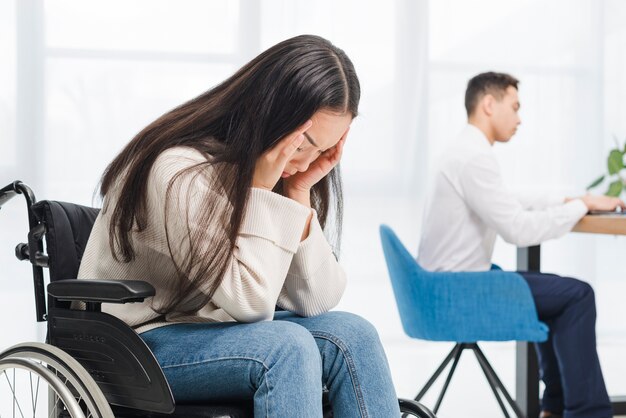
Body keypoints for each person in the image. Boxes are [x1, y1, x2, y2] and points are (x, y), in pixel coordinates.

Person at [77, 35, 401, 417]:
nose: (308, 160)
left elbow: (317, 299)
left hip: (208, 328)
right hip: (135, 342)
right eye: (303, 144)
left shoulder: (278, 174)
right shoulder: (178, 172)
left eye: (323, 150)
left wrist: (298, 191)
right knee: (286, 347)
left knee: (354, 335)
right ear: (271, 113)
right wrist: (259, 191)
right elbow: (251, 305)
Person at [418, 71, 622, 418]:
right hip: (461, 291)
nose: (519, 117)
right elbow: (517, 229)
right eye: (514, 107)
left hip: (445, 286)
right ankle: (586, 413)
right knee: (578, 296)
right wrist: (582, 206)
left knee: (558, 298)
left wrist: (575, 198)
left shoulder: (461, 151)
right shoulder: (474, 158)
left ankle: (553, 409)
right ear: (488, 104)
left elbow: (507, 199)